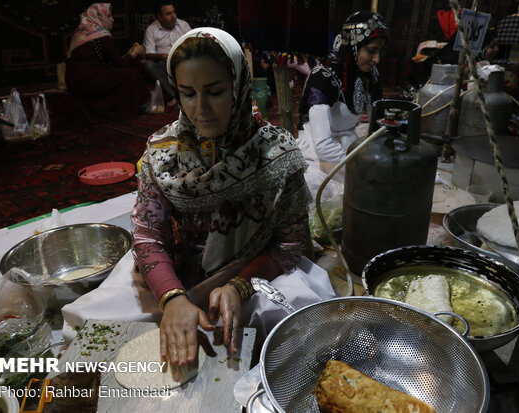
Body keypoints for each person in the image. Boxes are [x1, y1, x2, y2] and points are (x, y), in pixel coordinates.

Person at [131, 27, 315, 365]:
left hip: (253, 272)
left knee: (288, 321)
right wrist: (172, 298)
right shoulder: (163, 154)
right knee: (113, 324)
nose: (200, 109)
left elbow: (292, 243)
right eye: (187, 93)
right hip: (174, 272)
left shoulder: (275, 153)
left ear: (239, 86)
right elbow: (147, 235)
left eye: (214, 91)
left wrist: (240, 286)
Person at [296, 11, 388, 189]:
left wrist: (379, 156)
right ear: (354, 46)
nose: (377, 59)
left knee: (379, 183)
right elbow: (322, 144)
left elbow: (379, 121)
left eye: (380, 51)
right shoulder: (324, 77)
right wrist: (360, 167)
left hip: (348, 143)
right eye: (371, 50)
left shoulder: (369, 75)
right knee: (323, 191)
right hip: (317, 149)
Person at [66, 3, 150, 122]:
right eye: (108, 16)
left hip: (74, 79)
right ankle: (128, 111)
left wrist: (129, 54)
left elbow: (109, 59)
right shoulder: (101, 36)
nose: (112, 19)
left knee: (117, 73)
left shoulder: (82, 33)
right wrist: (134, 53)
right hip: (87, 79)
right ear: (98, 17)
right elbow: (119, 63)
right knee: (131, 74)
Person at [143, 2, 192, 107]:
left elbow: (193, 45)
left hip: (184, 61)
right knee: (148, 64)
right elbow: (149, 54)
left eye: (174, 12)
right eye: (168, 14)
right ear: (160, 17)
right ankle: (173, 95)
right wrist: (160, 56)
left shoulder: (184, 26)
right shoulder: (151, 30)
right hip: (164, 63)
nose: (173, 16)